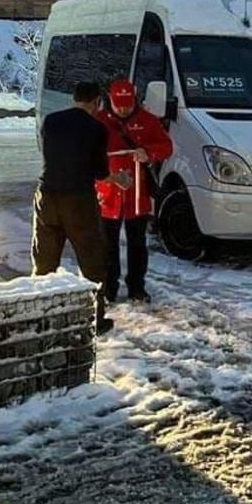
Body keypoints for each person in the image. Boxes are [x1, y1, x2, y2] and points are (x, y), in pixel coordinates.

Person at [33, 81, 131, 332]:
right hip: (78, 200)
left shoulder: (51, 121)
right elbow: (99, 172)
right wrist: (117, 178)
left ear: (73, 98)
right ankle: (94, 320)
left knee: (44, 263)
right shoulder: (96, 128)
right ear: (97, 101)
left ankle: (39, 320)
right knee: (92, 263)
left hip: (46, 196)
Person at [96, 79, 173, 303]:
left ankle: (137, 286)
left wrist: (148, 153)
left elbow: (166, 146)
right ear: (109, 99)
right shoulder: (98, 121)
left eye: (127, 104)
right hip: (107, 191)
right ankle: (108, 286)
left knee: (137, 243)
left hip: (137, 193)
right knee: (106, 243)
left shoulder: (148, 120)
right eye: (118, 104)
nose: (123, 109)